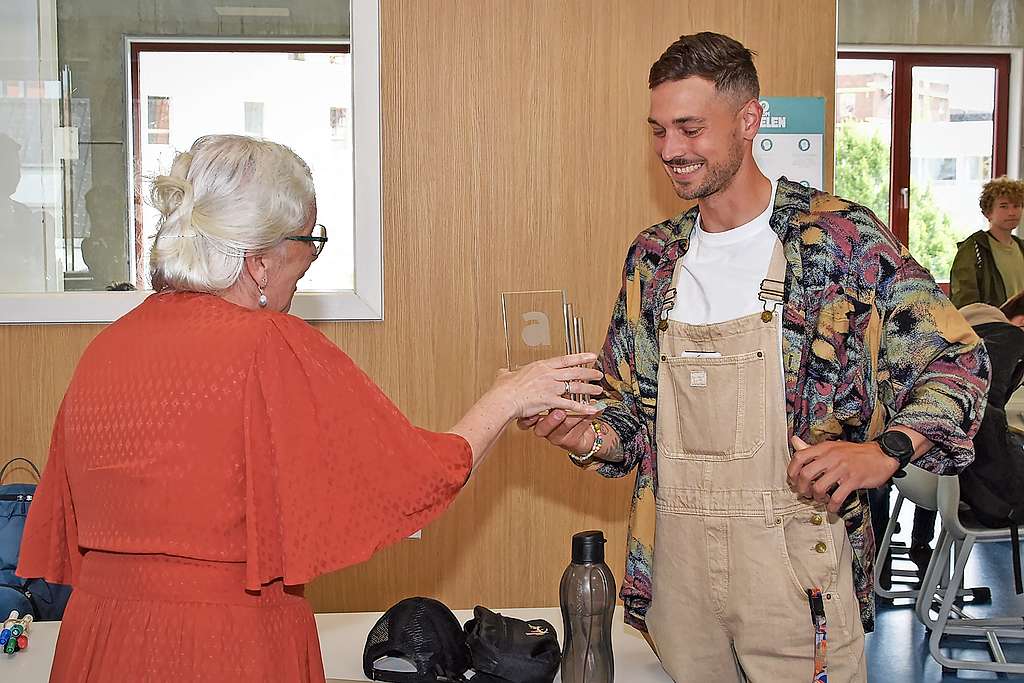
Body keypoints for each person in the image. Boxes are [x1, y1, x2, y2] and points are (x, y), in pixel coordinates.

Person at [15, 134, 604, 682]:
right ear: (259, 259)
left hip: (98, 639)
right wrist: (507, 398)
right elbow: (412, 483)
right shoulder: (266, 345)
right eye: (308, 241)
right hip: (221, 644)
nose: (310, 261)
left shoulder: (106, 348)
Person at [520, 32, 989, 681]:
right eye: (658, 131)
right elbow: (628, 427)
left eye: (689, 128)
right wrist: (583, 431)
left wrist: (888, 450)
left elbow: (956, 358)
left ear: (748, 121)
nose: (670, 150)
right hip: (679, 580)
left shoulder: (839, 242)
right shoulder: (653, 260)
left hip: (797, 577)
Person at [950, 176, 1024, 308]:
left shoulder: (1021, 247)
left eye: (1017, 206)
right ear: (988, 212)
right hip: (991, 326)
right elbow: (965, 302)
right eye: (1004, 206)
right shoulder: (973, 248)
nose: (1012, 212)